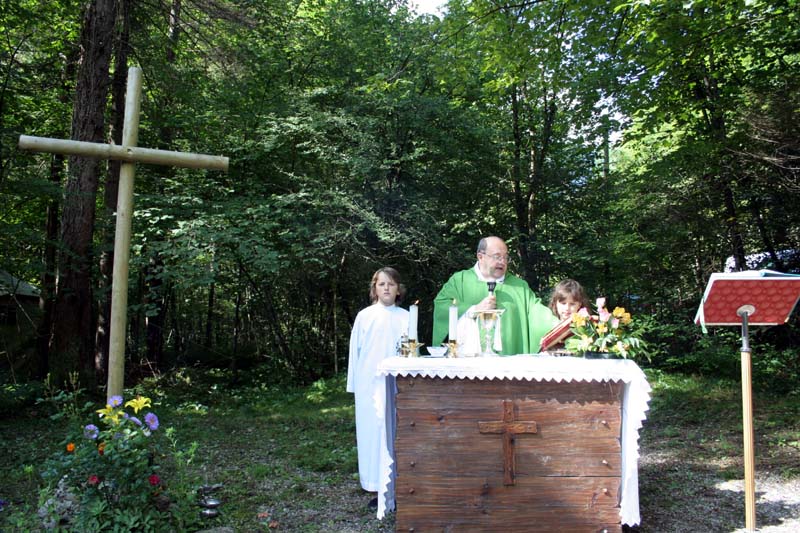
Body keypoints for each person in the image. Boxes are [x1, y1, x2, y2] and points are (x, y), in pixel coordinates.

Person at [346, 267, 408, 508]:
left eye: (391, 284)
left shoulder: (406, 317)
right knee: (372, 435)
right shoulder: (365, 316)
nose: (386, 288)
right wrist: (355, 385)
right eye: (382, 284)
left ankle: (398, 484)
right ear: (375, 289)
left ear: (398, 289)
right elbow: (355, 353)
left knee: (397, 432)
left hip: (397, 385)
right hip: (369, 384)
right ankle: (375, 485)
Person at [432, 236, 558, 355]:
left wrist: (565, 324)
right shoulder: (460, 281)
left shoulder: (519, 287)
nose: (502, 262)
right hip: (469, 363)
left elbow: (540, 315)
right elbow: (442, 306)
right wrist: (474, 309)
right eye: (497, 256)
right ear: (480, 257)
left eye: (505, 257)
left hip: (509, 364)